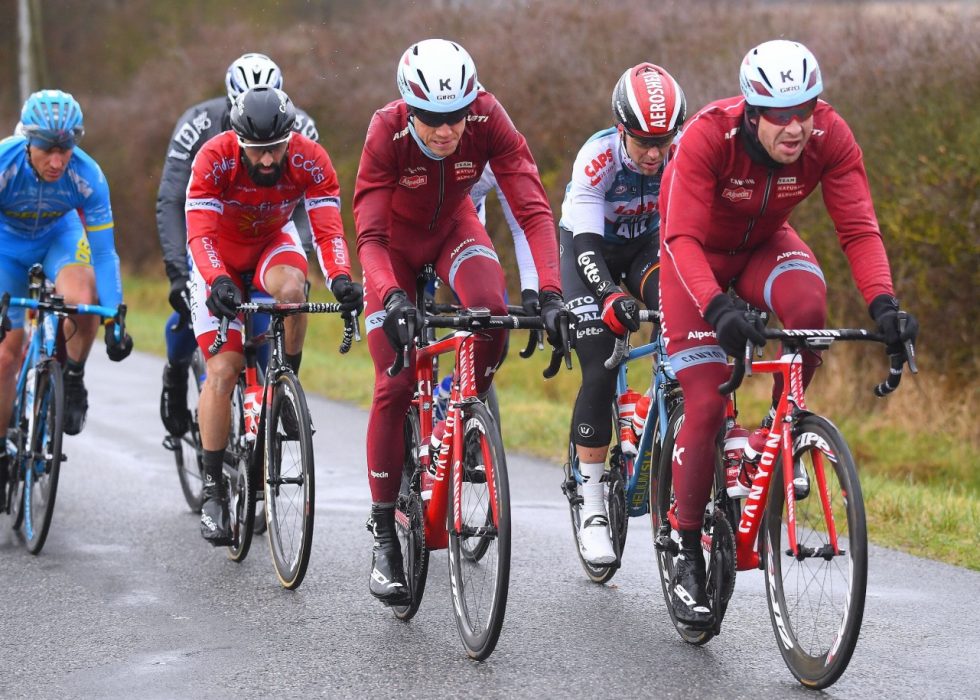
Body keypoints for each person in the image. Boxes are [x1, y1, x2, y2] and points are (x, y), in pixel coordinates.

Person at [658, 40, 919, 627]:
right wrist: (718, 310)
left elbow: (858, 228)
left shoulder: (830, 134)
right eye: (781, 115)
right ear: (753, 113)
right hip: (693, 262)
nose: (797, 127)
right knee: (706, 401)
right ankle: (686, 546)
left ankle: (777, 433)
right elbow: (680, 240)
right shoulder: (708, 137)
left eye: (805, 110)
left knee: (808, 307)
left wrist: (884, 305)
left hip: (762, 247)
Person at [353, 38, 564, 606]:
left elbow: (532, 208)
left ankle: (465, 411)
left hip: (453, 228)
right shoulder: (386, 129)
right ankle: (383, 530)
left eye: (457, 117)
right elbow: (369, 235)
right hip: (392, 249)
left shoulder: (488, 116)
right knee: (394, 381)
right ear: (409, 108)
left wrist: (550, 292)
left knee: (491, 312)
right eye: (432, 118)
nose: (447, 130)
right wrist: (392, 297)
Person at [185, 86, 362, 545]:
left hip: (270, 244)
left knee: (293, 292)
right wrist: (217, 279)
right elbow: (200, 234)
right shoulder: (213, 159)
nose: (267, 160)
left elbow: (328, 231)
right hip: (217, 257)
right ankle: (213, 489)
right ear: (238, 140)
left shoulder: (310, 158)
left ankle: (284, 386)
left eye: (276, 149)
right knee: (223, 369)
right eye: (257, 150)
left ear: (290, 138)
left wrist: (341, 278)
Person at [559, 63, 686, 565]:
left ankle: (656, 412)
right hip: (589, 250)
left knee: (681, 315)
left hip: (645, 250)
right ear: (621, 129)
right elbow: (587, 246)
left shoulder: (682, 155)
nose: (655, 154)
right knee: (598, 364)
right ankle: (593, 508)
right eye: (643, 142)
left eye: (663, 141)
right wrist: (609, 295)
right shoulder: (597, 159)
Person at [156, 53, 319, 439]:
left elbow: (308, 202)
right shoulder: (198, 124)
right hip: (210, 230)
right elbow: (172, 199)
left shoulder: (299, 127)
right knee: (190, 306)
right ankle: (176, 372)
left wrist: (298, 257)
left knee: (267, 325)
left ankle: (269, 408)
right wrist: (178, 271)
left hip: (267, 232)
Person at [0, 89, 133, 503]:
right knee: (5, 356)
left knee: (82, 298)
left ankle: (73, 377)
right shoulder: (5, 163)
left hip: (58, 236)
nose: (57, 161)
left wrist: (115, 318)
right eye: (48, 149)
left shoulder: (87, 175)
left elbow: (105, 254)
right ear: (28, 141)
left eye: (66, 149)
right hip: (5, 246)